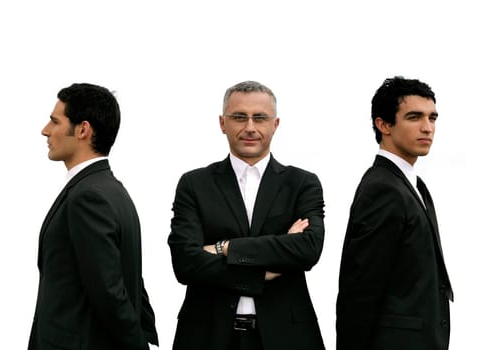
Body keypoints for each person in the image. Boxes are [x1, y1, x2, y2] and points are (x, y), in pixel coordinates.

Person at [167, 80, 325, 350]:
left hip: (286, 337)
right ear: (222, 123)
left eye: (260, 118)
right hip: (208, 335)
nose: (250, 127)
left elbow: (307, 249)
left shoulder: (302, 183)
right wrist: (263, 269)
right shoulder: (194, 184)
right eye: (239, 117)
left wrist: (224, 247)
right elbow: (185, 262)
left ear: (274, 125)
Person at [28, 83, 158, 350]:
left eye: (54, 121)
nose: (45, 130)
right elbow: (128, 280)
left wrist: (139, 344)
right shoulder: (113, 190)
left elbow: (110, 291)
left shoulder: (89, 197)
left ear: (83, 129)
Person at [336, 76, 454, 350]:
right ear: (383, 124)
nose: (427, 128)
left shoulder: (412, 184)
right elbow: (360, 291)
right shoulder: (383, 189)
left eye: (432, 118)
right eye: (414, 117)